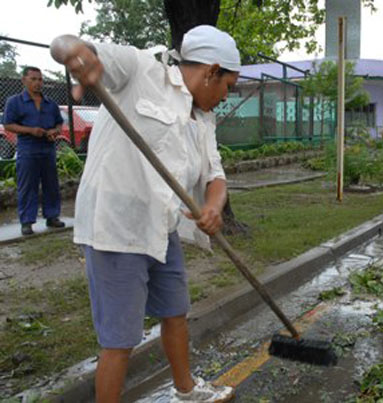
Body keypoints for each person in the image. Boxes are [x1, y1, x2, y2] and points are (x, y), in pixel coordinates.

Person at [50, 25, 239, 403]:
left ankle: (186, 392)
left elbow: (215, 176)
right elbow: (71, 45)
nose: (225, 96)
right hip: (115, 227)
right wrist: (72, 52)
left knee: (174, 313)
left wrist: (213, 207)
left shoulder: (203, 120)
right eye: (227, 86)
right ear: (211, 71)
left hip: (161, 226)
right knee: (120, 338)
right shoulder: (140, 71)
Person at [3, 67, 66, 235]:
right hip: (28, 149)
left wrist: (55, 131)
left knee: (51, 184)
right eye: (33, 79)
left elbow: (59, 123)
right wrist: (31, 130)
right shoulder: (15, 102)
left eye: (40, 79)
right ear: (24, 80)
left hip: (48, 149)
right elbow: (8, 124)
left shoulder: (50, 104)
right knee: (27, 186)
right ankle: (27, 222)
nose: (38, 83)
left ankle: (52, 217)